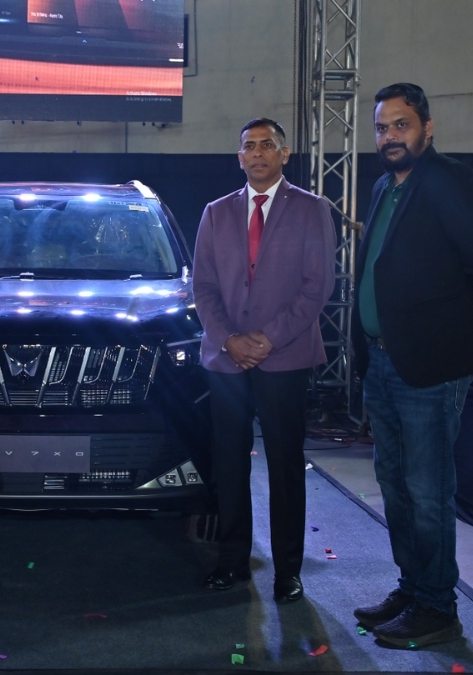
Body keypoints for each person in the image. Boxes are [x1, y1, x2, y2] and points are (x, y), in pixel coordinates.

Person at [351, 83, 473, 648]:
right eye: (382, 127)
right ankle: (413, 588)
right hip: (383, 362)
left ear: (427, 128)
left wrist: (464, 336)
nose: (390, 136)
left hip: (431, 368)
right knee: (395, 486)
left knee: (428, 491)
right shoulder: (382, 187)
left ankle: (438, 607)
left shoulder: (448, 180)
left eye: (402, 125)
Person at [192, 118, 336, 598]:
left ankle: (287, 571)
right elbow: (203, 287)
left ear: (284, 153)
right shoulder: (216, 213)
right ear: (239, 157)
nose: (257, 153)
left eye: (267, 145)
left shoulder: (312, 209)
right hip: (226, 360)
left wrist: (267, 339)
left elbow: (318, 286)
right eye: (249, 146)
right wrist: (229, 339)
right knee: (229, 465)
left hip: (285, 357)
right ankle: (232, 561)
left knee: (285, 466)